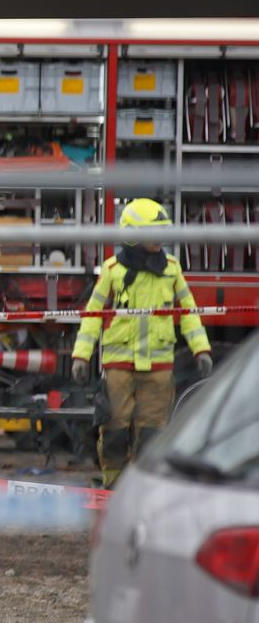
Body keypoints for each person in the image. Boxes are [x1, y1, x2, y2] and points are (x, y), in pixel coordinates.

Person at [71, 198, 214, 487]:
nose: (161, 238)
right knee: (114, 428)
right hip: (118, 364)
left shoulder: (171, 270)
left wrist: (201, 349)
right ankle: (113, 486)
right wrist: (81, 356)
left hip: (159, 366)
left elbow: (189, 313)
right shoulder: (113, 272)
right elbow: (92, 316)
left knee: (153, 433)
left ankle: (142, 488)